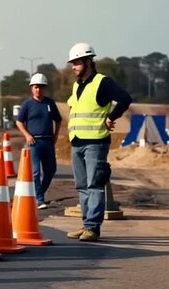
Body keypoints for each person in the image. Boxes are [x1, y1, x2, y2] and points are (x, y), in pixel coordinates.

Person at [65, 43, 132, 241]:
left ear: (88, 62)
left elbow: (125, 98)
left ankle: (93, 228)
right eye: (72, 63)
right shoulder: (77, 85)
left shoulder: (102, 82)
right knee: (82, 185)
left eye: (76, 63)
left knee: (94, 184)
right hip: (76, 141)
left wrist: (111, 117)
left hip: (95, 142)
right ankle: (87, 224)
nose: (73, 67)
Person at [16, 73, 62, 210]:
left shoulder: (50, 103)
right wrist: (27, 135)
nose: (38, 90)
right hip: (33, 142)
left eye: (41, 87)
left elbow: (58, 120)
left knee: (50, 170)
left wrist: (55, 135)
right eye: (36, 87)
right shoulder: (27, 104)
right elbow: (19, 122)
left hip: (48, 141)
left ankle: (38, 192)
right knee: (35, 172)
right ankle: (40, 199)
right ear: (31, 88)